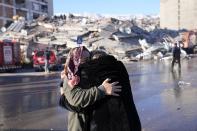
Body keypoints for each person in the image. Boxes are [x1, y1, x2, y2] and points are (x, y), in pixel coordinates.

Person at [59, 46, 121, 131]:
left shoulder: (89, 73)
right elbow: (75, 99)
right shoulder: (71, 77)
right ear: (74, 59)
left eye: (88, 59)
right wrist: (102, 90)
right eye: (82, 59)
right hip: (79, 124)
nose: (86, 62)